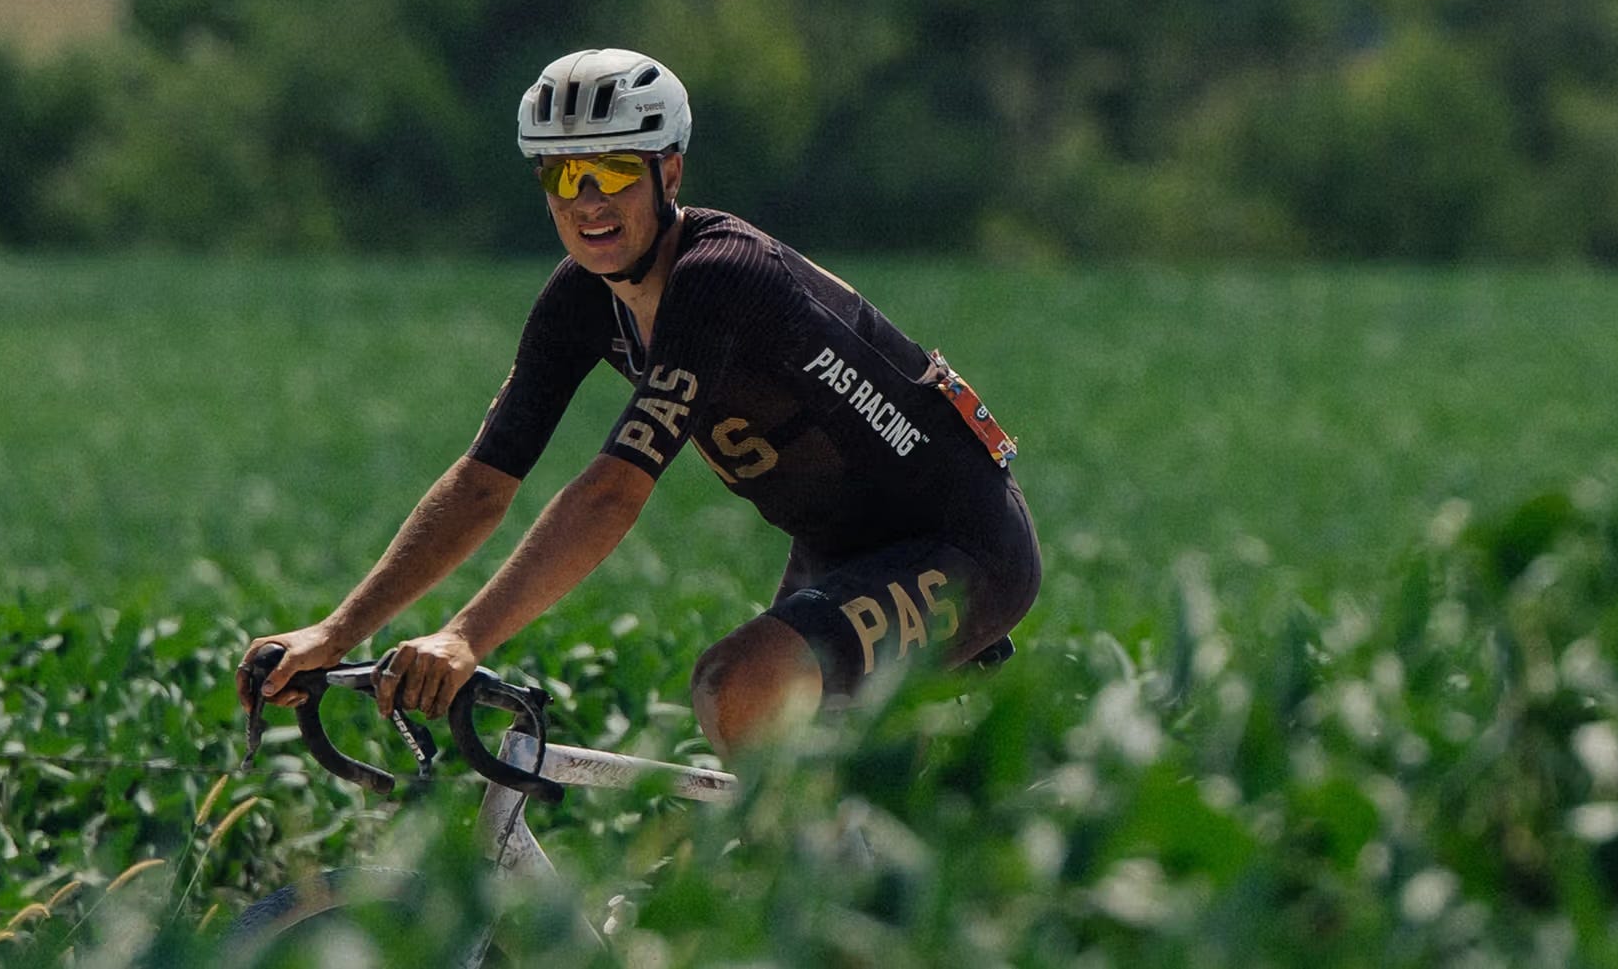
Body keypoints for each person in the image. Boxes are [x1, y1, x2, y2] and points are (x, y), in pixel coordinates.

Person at [235, 48, 1041, 759]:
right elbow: (483, 482)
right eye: (562, 175)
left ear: (670, 174)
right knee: (776, 772)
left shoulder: (722, 275)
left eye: (615, 171)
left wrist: (465, 636)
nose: (588, 200)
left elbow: (613, 491)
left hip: (965, 545)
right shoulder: (582, 297)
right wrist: (336, 631)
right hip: (838, 552)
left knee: (738, 685)